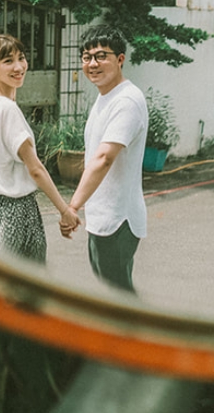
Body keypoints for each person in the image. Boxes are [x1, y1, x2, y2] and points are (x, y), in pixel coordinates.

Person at [0, 33, 80, 262]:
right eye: (8, 61)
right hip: (18, 212)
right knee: (25, 287)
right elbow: (36, 169)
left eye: (22, 58)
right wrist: (64, 211)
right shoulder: (7, 111)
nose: (19, 66)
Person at [62, 26, 149, 292]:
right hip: (102, 216)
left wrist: (72, 207)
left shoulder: (127, 101)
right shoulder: (105, 98)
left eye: (101, 56)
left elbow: (103, 158)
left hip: (118, 218)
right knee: (111, 292)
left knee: (118, 298)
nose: (92, 64)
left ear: (120, 59)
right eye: (87, 57)